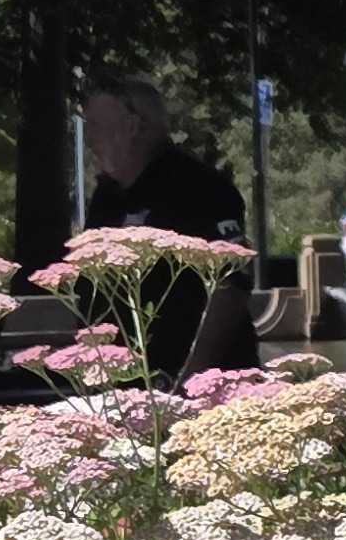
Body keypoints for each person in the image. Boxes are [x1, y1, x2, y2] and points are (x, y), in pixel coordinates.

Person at [79, 79, 251, 375]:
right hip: (125, 386)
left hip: (202, 383)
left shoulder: (201, 188)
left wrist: (194, 375)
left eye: (94, 126)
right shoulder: (106, 196)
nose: (89, 140)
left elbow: (231, 284)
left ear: (131, 127)